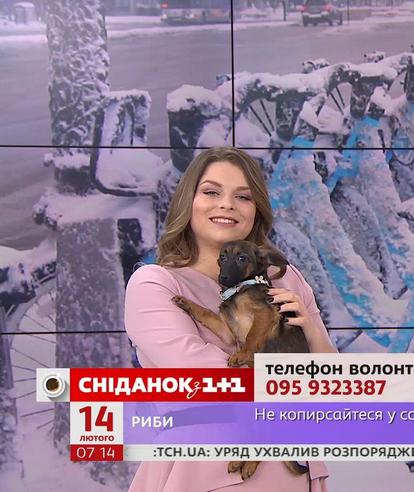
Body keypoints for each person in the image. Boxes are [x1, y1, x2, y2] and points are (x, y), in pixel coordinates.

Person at [125, 147, 335, 492]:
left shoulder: (285, 280)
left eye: (243, 196)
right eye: (211, 192)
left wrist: (311, 330)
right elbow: (206, 379)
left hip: (296, 472)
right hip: (208, 473)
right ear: (188, 202)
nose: (227, 205)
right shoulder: (155, 284)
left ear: (257, 210)